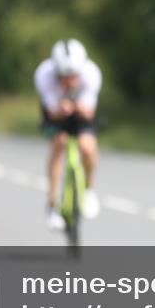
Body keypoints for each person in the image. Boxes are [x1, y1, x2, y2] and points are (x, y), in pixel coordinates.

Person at [33, 39, 102, 230]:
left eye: (74, 77)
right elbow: (51, 111)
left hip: (81, 111)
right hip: (56, 113)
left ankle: (89, 188)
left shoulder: (91, 74)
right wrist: (60, 109)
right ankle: (52, 205)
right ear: (56, 72)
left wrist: (78, 106)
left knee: (87, 146)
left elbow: (89, 112)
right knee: (59, 143)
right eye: (64, 77)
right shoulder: (44, 74)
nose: (70, 82)